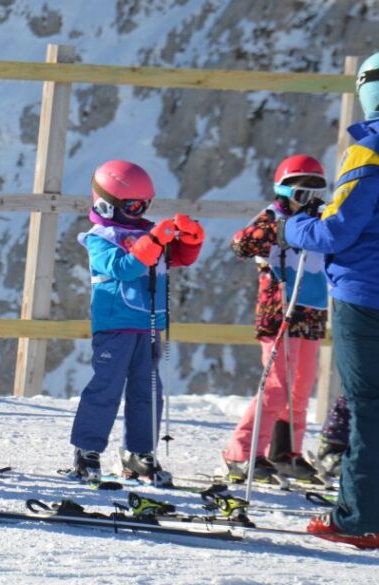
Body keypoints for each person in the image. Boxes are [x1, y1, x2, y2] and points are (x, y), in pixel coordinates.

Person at [279, 48, 379, 554]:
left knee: (370, 405)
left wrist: (295, 225)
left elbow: (337, 232)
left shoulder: (371, 150)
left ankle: (362, 518)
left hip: (367, 292)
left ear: (368, 92)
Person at [69, 160, 204, 486]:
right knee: (107, 388)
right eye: (132, 205)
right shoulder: (99, 239)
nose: (139, 211)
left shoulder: (147, 232)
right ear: (106, 203)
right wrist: (155, 240)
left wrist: (191, 238)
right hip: (115, 324)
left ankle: (139, 452)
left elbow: (180, 258)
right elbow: (125, 268)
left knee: (148, 390)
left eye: (144, 205)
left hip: (149, 325)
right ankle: (87, 450)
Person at [221, 155, 329, 483]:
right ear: (283, 192)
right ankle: (242, 452)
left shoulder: (320, 222)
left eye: (314, 194)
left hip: (312, 311)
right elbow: (241, 244)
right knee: (276, 386)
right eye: (300, 195)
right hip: (280, 310)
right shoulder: (273, 218)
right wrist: (277, 228)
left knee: (300, 387)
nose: (307, 203)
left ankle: (285, 451)